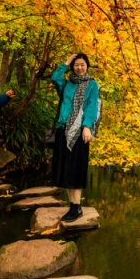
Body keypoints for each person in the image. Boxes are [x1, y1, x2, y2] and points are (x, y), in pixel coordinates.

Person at [50, 53, 100, 222]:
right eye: (76, 64)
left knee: (76, 170)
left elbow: (92, 106)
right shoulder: (66, 84)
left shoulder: (92, 84)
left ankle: (77, 208)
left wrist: (87, 127)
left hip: (79, 131)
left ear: (87, 66)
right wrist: (65, 62)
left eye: (82, 64)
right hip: (63, 129)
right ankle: (72, 206)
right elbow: (55, 77)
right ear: (73, 66)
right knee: (66, 170)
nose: (79, 67)